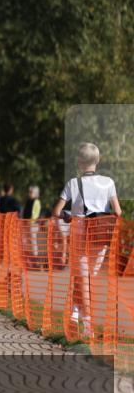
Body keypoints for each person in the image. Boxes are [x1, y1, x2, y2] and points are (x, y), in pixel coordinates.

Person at [51, 143, 123, 339]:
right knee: (87, 279)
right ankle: (82, 321)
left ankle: (80, 319)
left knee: (82, 279)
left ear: (79, 162)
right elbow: (117, 212)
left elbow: (56, 212)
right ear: (97, 161)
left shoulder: (73, 183)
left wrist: (68, 215)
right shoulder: (108, 183)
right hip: (100, 236)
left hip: (80, 235)